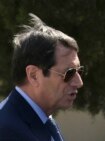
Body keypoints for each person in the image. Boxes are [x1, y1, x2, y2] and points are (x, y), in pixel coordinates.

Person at [0, 13, 85, 141]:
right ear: (33, 75)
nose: (79, 82)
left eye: (80, 71)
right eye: (69, 73)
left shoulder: (43, 120)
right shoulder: (7, 130)